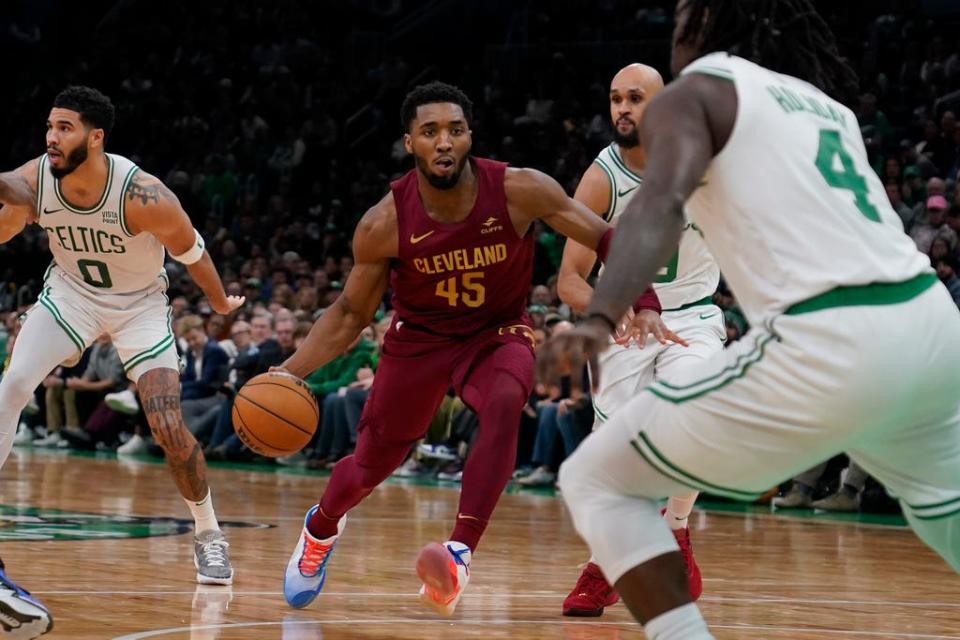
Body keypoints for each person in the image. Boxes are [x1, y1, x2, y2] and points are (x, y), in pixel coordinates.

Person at [538, 2, 960, 638]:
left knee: (595, 480)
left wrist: (599, 318)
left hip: (834, 332)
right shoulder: (824, 105)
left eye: (681, 16)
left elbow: (657, 207)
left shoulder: (694, 93)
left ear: (700, 29)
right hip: (929, 323)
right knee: (944, 517)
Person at [275, 80, 670, 616]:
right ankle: (320, 529)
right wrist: (288, 373)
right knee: (369, 466)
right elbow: (349, 313)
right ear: (409, 142)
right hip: (419, 342)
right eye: (430, 132)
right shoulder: (384, 222)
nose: (444, 142)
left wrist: (645, 299)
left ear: (469, 137)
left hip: (495, 333)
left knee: (506, 400)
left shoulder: (519, 189)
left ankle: (459, 552)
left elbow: (605, 236)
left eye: (455, 131)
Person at [0, 86, 244, 635]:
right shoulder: (40, 178)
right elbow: (12, 201)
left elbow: (194, 252)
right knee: (12, 384)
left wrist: (222, 301)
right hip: (70, 296)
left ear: (96, 136)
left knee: (167, 425)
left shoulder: (143, 195)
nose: (52, 137)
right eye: (49, 127)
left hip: (140, 308)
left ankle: (208, 533)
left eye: (64, 127)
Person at [556, 62, 722, 618]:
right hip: (623, 323)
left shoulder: (709, 165)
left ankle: (674, 530)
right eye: (615, 98)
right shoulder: (603, 176)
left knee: (691, 411)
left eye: (636, 98)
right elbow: (569, 279)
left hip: (692, 318)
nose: (622, 108)